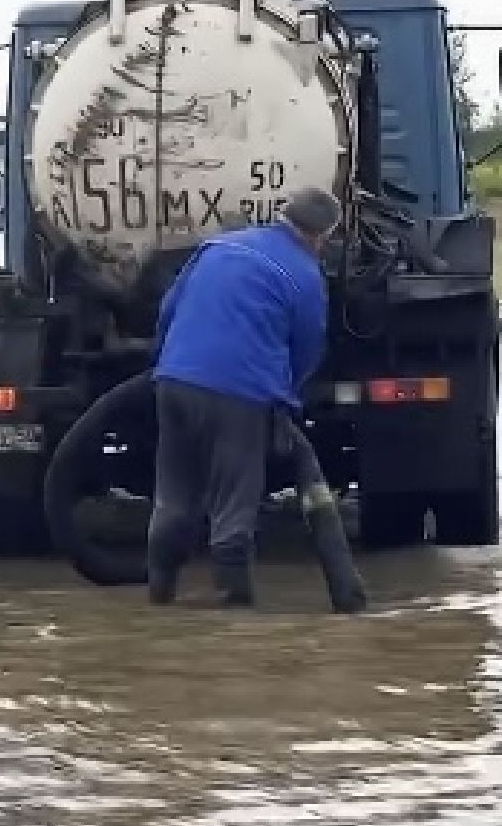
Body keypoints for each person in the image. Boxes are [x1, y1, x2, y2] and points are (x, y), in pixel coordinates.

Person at [144, 187, 365, 611]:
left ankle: (160, 596)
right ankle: (233, 602)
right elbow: (306, 348)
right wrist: (283, 397)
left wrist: (167, 361)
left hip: (172, 381)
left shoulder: (219, 246)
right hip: (239, 394)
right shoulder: (304, 275)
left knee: (172, 495)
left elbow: (169, 310)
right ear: (323, 235)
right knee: (233, 501)